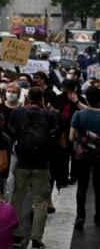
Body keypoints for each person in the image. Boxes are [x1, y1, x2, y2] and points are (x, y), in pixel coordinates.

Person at [8, 87, 57, 248]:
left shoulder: (17, 112)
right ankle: (36, 238)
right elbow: (53, 131)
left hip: (20, 162)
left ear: (27, 97)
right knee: (40, 201)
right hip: (41, 164)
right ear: (42, 98)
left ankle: (17, 236)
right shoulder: (49, 115)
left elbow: (12, 129)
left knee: (17, 199)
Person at [70, 85, 100, 229]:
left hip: (83, 156)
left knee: (82, 186)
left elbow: (71, 137)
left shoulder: (79, 115)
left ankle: (80, 215)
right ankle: (98, 214)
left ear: (86, 98)